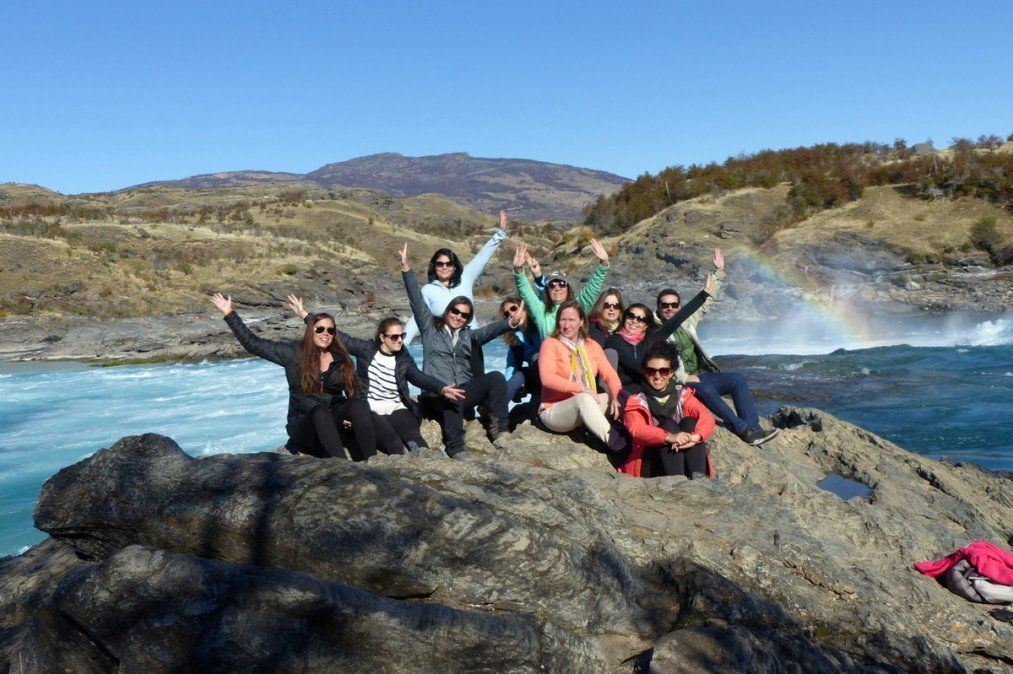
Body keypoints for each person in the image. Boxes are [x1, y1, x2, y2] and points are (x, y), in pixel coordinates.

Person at [286, 295, 465, 455]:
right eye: (394, 337)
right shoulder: (366, 350)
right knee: (393, 444)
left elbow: (417, 376)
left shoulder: (403, 356)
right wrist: (306, 316)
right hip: (370, 408)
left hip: (396, 407)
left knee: (412, 437)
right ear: (382, 337)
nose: (400, 340)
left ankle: (427, 461)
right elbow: (336, 335)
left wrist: (441, 388)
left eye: (401, 335)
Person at [210, 292, 375, 460]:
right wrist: (229, 313)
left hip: (334, 425)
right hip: (305, 427)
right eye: (320, 329)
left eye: (330, 330)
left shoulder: (342, 360)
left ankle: (372, 462)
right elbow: (254, 344)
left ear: (334, 335)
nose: (325, 333)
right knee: (319, 412)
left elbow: (355, 394)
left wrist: (351, 418)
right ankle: (345, 468)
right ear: (311, 330)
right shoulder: (292, 353)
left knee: (358, 406)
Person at [400, 242, 518, 459]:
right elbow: (417, 301)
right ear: (447, 311)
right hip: (435, 394)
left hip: (462, 391)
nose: (458, 316)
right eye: (454, 311)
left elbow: (487, 332)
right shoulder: (430, 329)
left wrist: (510, 323)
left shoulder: (466, 335)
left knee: (495, 378)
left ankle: (500, 430)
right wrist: (406, 269)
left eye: (464, 315)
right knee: (452, 393)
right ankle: (456, 448)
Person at [656, 248, 777, 446]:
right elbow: (661, 362)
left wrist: (718, 273)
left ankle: (755, 429)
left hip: (702, 374)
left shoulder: (686, 321)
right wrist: (685, 377)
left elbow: (706, 302)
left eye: (674, 305)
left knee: (737, 380)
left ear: (679, 306)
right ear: (658, 307)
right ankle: (743, 430)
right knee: (706, 389)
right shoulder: (656, 331)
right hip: (681, 381)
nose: (670, 308)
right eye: (665, 305)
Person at [403, 210, 509, 353]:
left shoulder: (465, 277)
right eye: (440, 264)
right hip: (446, 350)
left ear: (454, 267)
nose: (444, 267)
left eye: (449, 263)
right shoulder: (428, 290)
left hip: (472, 345)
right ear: (434, 267)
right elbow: (417, 318)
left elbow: (482, 257)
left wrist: (499, 235)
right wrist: (401, 345)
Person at [621, 341, 715, 479]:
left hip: (684, 458)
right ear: (645, 372)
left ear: (671, 373)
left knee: (689, 422)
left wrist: (695, 438)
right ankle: (678, 482)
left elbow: (706, 418)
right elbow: (636, 429)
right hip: (651, 464)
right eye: (651, 371)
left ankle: (698, 479)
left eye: (663, 371)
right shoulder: (637, 401)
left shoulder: (682, 395)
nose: (657, 376)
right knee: (668, 425)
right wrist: (669, 437)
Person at [537, 300, 623, 452]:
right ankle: (616, 443)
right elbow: (547, 379)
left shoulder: (591, 345)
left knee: (621, 398)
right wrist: (582, 389)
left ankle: (635, 439)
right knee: (584, 398)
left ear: (581, 322)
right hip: (554, 410)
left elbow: (609, 374)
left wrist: (617, 396)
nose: (566, 325)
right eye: (562, 319)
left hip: (586, 404)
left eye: (571, 320)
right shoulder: (550, 344)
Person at [605, 280, 711, 388]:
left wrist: (704, 294)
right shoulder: (614, 341)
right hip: (628, 390)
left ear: (646, 325)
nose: (635, 321)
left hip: (653, 386)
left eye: (641, 319)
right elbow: (635, 365)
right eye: (631, 316)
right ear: (625, 318)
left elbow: (678, 318)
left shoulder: (650, 338)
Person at [512, 239, 611, 339]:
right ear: (547, 290)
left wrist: (603, 264)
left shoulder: (578, 307)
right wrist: (518, 270)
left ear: (568, 288)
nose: (557, 288)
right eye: (552, 285)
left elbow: (592, 288)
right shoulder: (541, 311)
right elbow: (525, 292)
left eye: (562, 284)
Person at [499, 297, 541, 405]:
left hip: (556, 372)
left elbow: (544, 302)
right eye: (506, 314)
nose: (511, 314)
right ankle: (494, 409)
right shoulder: (515, 338)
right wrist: (509, 386)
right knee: (518, 376)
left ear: (523, 307)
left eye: (514, 308)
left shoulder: (540, 325)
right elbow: (511, 366)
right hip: (537, 378)